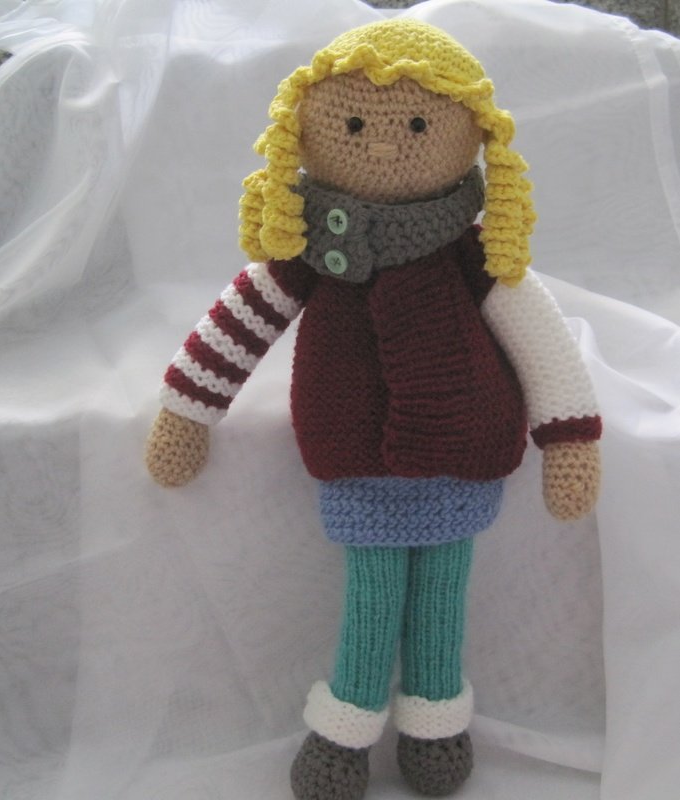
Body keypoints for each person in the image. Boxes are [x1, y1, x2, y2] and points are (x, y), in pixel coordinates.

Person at [145, 19, 602, 799]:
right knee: (372, 596)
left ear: (471, 135)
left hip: (462, 451)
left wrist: (568, 437)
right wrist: (188, 407)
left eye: (418, 126)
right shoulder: (310, 246)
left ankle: (435, 725)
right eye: (354, 127)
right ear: (307, 130)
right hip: (356, 455)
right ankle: (345, 730)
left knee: (442, 599)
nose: (384, 144)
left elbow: (539, 337)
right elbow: (242, 319)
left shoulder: (476, 252)